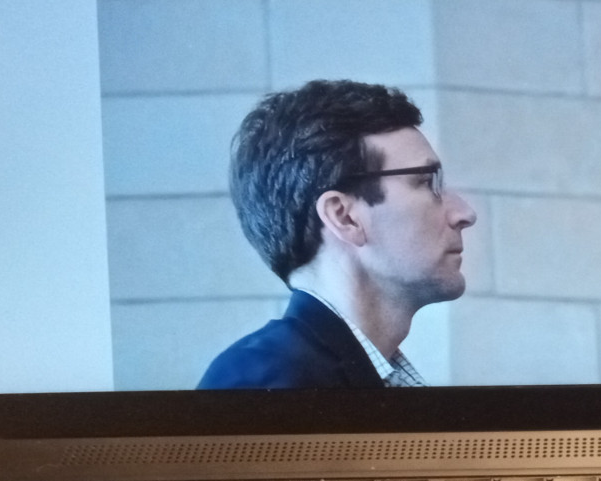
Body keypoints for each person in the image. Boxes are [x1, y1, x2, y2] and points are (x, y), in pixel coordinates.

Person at [200, 80, 477, 390]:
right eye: (426, 182)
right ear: (344, 216)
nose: (465, 213)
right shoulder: (266, 379)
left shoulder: (307, 372)